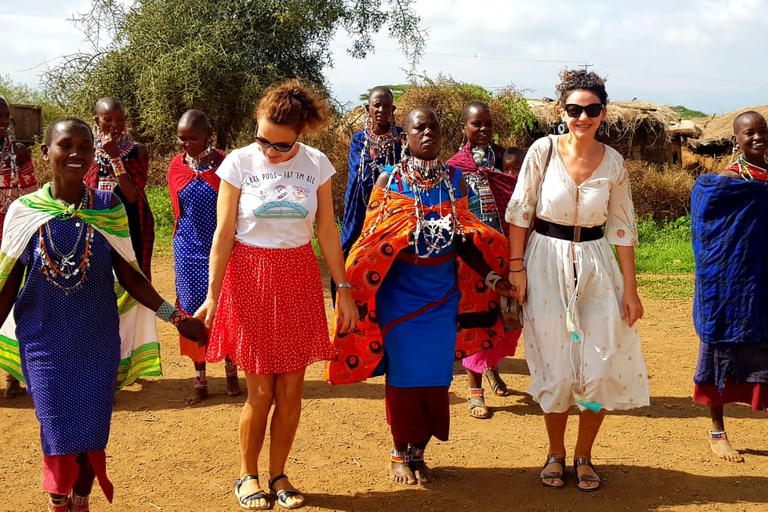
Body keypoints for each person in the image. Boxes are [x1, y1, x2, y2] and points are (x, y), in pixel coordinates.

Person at [0, 117, 207, 512]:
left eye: (84, 145)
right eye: (66, 145)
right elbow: (7, 285)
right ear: (46, 153)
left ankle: (81, 500)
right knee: (57, 428)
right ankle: (58, 500)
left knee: (93, 431)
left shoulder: (106, 206)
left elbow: (130, 274)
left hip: (97, 340)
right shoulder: (23, 211)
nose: (76, 153)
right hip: (43, 343)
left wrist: (177, 319)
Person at [326, 107, 515, 486]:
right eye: (419, 128)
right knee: (404, 376)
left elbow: (464, 238)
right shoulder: (389, 180)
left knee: (435, 376)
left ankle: (420, 452)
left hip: (442, 296)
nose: (427, 133)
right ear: (406, 136)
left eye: (433, 127)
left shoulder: (455, 182)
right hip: (400, 297)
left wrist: (492, 276)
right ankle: (400, 452)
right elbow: (373, 241)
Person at [194, 79, 357, 510]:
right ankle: (247, 476)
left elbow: (326, 230)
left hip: (300, 276)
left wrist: (343, 289)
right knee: (260, 392)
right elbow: (223, 234)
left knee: (291, 391)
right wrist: (212, 295)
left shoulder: (318, 164)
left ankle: (279, 474)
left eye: (281, 146)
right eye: (263, 139)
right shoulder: (238, 163)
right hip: (250, 277)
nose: (270, 151)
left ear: (300, 136)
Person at [506, 69, 648, 491]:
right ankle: (556, 452)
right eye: (573, 109)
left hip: (596, 266)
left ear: (603, 113)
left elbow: (622, 228)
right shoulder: (542, 151)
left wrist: (631, 290)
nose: (581, 117)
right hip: (544, 263)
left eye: (591, 109)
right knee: (556, 366)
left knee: (598, 368)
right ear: (561, 111)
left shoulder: (614, 162)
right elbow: (520, 212)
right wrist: (516, 269)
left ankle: (585, 454)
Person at [691, 110, 768, 462]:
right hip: (731, 286)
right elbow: (708, 230)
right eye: (749, 133)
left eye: (762, 131)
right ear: (736, 139)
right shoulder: (726, 182)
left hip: (764, 281)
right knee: (720, 354)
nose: (758, 138)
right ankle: (717, 431)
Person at [446, 101, 521, 419]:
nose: (484, 129)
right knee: (476, 319)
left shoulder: (507, 160)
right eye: (477, 124)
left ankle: (491, 367)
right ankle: (475, 390)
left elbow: (520, 200)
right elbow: (451, 212)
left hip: (505, 252)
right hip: (472, 258)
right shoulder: (454, 166)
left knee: (507, 316)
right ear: (464, 128)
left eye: (488, 123)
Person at [168, 109, 240, 403]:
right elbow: (178, 210)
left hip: (222, 247)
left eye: (192, 138)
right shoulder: (177, 166)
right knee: (190, 311)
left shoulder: (226, 165)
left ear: (208, 135)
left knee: (226, 309)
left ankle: (231, 369)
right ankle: (200, 376)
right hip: (186, 249)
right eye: (182, 139)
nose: (186, 144)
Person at [84, 97, 155, 280]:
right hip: (96, 224)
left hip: (129, 224)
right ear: (96, 121)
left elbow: (132, 196)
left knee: (132, 278)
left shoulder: (137, 151)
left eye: (120, 119)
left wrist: (115, 157)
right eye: (108, 119)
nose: (115, 125)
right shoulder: (86, 151)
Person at [0, 96, 38, 399]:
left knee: (12, 302)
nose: (2, 123)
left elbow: (29, 199)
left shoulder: (19, 153)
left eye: (5, 117)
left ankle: (13, 374)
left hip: (13, 239)